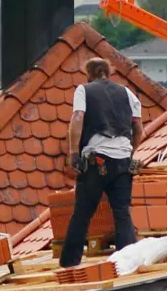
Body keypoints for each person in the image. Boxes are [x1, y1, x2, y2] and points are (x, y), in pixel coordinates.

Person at [59, 57, 145, 267]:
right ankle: (128, 263)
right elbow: (138, 128)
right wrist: (130, 152)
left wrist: (73, 152)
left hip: (97, 161)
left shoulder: (84, 90)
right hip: (123, 162)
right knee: (122, 213)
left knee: (82, 213)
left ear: (89, 74)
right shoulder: (127, 93)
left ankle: (69, 263)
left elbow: (77, 118)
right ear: (108, 72)